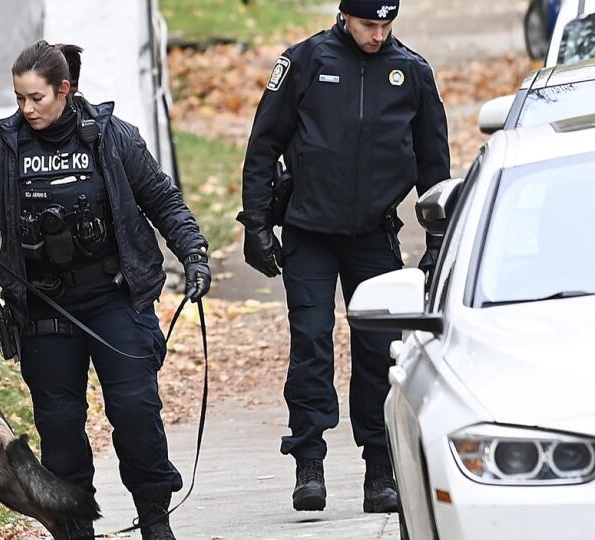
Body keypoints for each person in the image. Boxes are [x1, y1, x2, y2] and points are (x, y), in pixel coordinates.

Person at [0, 40, 211, 540]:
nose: (26, 108)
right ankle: (75, 527)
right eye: (18, 98)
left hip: (114, 297)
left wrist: (194, 254)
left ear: (64, 89)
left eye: (36, 98)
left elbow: (163, 201)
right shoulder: (2, 150)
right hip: (43, 305)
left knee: (135, 411)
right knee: (59, 429)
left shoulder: (112, 138)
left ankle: (154, 517)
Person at [237, 0, 450, 514]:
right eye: (367, 25)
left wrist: (438, 242)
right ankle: (308, 461)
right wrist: (257, 223)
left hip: (373, 235)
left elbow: (433, 165)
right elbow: (263, 144)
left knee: (379, 355)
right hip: (309, 231)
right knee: (310, 344)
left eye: (386, 25)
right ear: (344, 17)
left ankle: (381, 470)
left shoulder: (412, 72)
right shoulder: (306, 61)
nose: (377, 35)